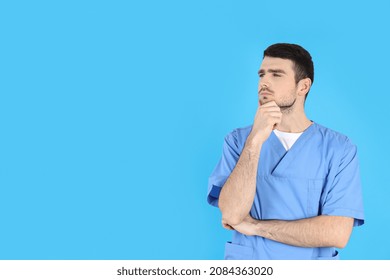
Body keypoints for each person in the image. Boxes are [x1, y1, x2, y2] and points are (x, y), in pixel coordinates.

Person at [207, 43, 364, 260]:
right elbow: (232, 214)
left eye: (276, 75)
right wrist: (255, 140)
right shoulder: (238, 141)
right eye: (262, 74)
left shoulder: (339, 149)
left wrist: (255, 227)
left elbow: (337, 233)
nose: (264, 82)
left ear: (303, 86)